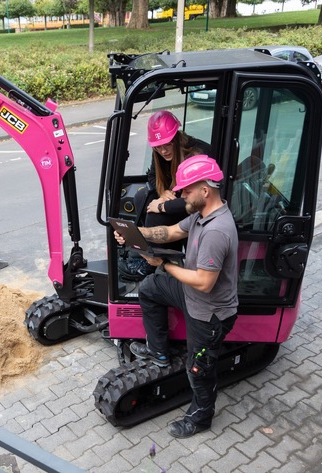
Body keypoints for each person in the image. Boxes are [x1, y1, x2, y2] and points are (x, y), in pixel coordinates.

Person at [114, 154, 238, 439]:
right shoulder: (201, 213)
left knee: (198, 369)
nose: (181, 194)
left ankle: (201, 417)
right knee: (150, 288)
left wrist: (166, 265)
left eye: (186, 189)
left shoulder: (217, 231)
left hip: (209, 315)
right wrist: (137, 233)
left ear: (205, 190)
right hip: (192, 295)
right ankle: (159, 351)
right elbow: (170, 232)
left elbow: (204, 282)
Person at [119, 110, 210, 280]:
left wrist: (161, 205)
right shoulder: (161, 153)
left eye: (167, 144)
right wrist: (164, 192)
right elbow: (152, 176)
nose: (163, 151)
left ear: (176, 137)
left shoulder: (195, 155)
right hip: (178, 197)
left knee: (154, 213)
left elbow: (197, 201)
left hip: (197, 206)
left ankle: (155, 262)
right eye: (158, 147)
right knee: (141, 197)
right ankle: (148, 252)